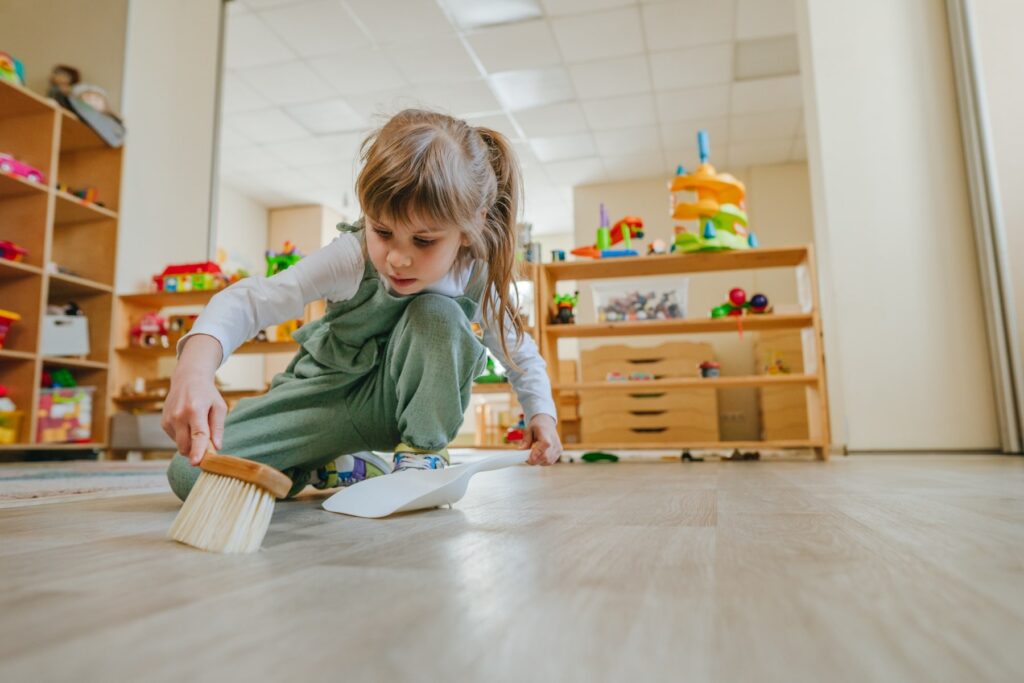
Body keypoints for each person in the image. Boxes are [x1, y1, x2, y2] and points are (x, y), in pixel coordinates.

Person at [163, 109, 561, 500]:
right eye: (383, 231)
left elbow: (519, 351)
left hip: (402, 410)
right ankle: (338, 463)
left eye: (423, 241)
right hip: (323, 396)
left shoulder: (476, 274)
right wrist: (194, 370)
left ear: (472, 225)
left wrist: (541, 413)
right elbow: (254, 301)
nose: (397, 259)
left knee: (438, 316)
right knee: (191, 473)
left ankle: (422, 457)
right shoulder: (351, 257)